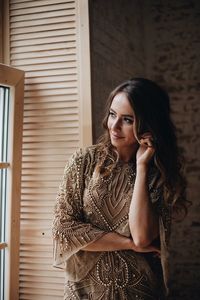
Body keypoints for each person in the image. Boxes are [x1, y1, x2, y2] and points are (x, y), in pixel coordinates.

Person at [52, 78, 189, 300]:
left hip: (138, 291)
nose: (114, 126)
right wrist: (127, 244)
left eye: (127, 120)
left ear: (148, 125)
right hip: (84, 291)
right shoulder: (83, 161)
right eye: (112, 114)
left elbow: (143, 238)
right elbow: (63, 230)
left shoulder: (159, 174)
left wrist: (142, 168)